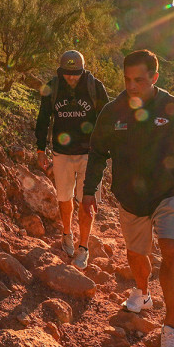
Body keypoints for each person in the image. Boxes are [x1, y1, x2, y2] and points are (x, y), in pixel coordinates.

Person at [80, 49, 174, 347]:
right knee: (136, 255)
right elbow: (98, 152)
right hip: (130, 199)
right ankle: (142, 293)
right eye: (127, 80)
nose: (132, 86)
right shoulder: (112, 112)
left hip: (170, 193)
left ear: (155, 78)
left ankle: (171, 329)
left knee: (172, 250)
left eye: (139, 80)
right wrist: (90, 190)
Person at [35, 49, 109, 268]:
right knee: (64, 197)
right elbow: (43, 119)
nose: (72, 77)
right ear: (61, 71)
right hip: (62, 153)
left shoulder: (94, 87)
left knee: (86, 201)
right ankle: (66, 233)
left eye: (75, 73)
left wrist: (106, 150)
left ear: (83, 70)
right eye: (67, 73)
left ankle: (83, 247)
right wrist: (41, 149)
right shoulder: (53, 86)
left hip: (90, 154)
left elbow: (107, 119)